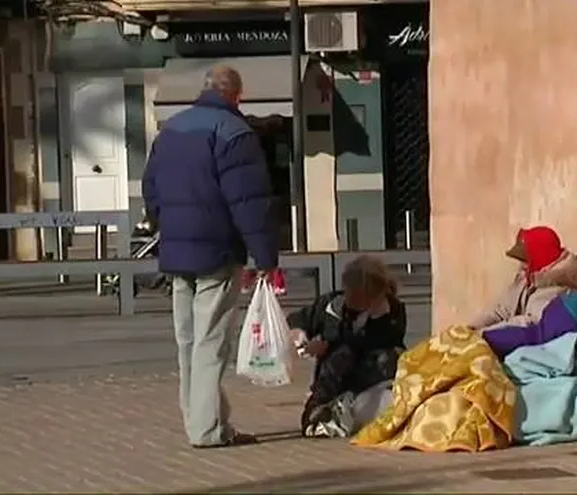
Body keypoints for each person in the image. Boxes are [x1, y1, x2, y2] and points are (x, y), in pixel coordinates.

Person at [142, 64, 279, 448]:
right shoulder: (235, 133)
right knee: (210, 342)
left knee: (186, 341)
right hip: (216, 249)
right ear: (237, 94)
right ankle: (207, 429)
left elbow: (150, 189)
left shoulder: (170, 131)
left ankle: (198, 419)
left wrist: (165, 227)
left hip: (176, 249)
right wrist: (265, 257)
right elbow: (248, 201)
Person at [287, 254, 407, 438]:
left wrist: (327, 343)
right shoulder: (332, 304)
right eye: (348, 291)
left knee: (348, 353)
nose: (350, 297)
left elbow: (368, 343)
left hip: (372, 374)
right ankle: (316, 410)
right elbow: (298, 319)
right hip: (332, 380)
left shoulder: (391, 312)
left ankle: (328, 409)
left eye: (357, 294)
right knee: (340, 356)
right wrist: (300, 335)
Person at [469, 225, 577, 332]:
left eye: (525, 260)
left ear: (539, 258)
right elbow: (502, 309)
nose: (522, 265)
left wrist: (484, 334)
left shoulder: (562, 285)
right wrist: (472, 329)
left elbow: (531, 323)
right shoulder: (528, 278)